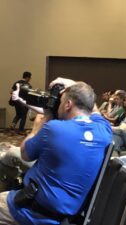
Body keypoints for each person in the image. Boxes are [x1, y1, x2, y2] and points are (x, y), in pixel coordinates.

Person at [0, 77, 112, 225]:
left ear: (68, 105)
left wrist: (38, 126)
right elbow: (93, 109)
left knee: (9, 156)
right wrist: (76, 86)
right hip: (63, 216)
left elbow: (25, 154)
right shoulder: (104, 130)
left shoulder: (54, 128)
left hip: (30, 211)